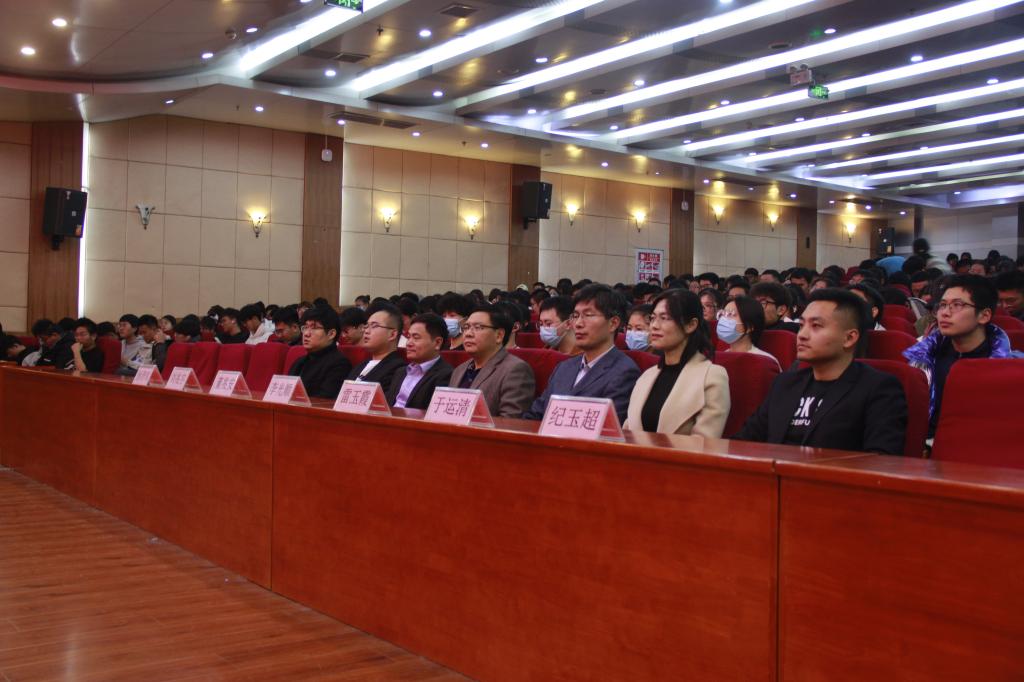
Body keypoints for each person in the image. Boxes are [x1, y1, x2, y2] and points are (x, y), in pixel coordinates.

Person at [735, 288, 908, 454]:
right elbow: (744, 442)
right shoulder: (785, 383)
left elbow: (880, 459)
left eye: (816, 326)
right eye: (801, 325)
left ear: (849, 338)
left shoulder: (878, 389)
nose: (802, 335)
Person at [904, 275, 1020, 440]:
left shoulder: (1011, 366)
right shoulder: (922, 359)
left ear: (984, 315)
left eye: (957, 305)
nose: (945, 313)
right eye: (942, 305)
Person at [523, 284, 640, 423]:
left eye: (588, 315)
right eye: (575, 316)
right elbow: (536, 414)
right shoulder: (564, 367)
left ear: (613, 323)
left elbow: (607, 426)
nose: (578, 324)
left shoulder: (624, 372)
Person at [623, 289, 730, 437]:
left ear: (691, 325)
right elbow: (627, 433)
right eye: (653, 318)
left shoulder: (711, 376)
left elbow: (704, 442)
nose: (654, 326)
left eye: (664, 318)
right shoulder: (647, 376)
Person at [449, 304, 535, 418]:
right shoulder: (459, 370)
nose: (468, 333)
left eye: (478, 327)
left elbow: (510, 422)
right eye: (466, 327)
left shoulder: (515, 370)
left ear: (499, 335)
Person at [386, 313, 453, 410]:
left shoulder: (446, 375)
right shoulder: (400, 372)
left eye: (416, 337)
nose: (408, 343)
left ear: (437, 342)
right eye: (409, 337)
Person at [288, 305, 351, 399]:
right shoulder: (299, 362)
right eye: (305, 327)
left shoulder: (339, 364)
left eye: (314, 328)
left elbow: (324, 401)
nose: (306, 333)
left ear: (331, 334)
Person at [350, 303, 406, 388]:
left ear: (392, 334)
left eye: (374, 326)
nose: (366, 331)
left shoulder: (398, 369)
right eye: (366, 326)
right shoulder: (361, 365)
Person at [718, 296, 781, 370]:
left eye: (731, 314)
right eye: (723, 314)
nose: (723, 319)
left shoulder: (766, 361)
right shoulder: (718, 359)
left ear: (749, 327)